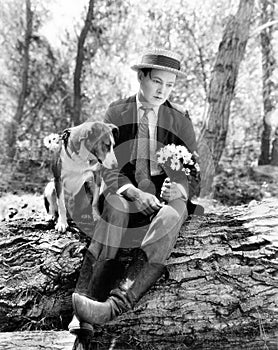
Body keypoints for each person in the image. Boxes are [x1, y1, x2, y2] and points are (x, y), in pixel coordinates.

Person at [68, 48, 202, 333]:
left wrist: (179, 188)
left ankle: (114, 305)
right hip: (125, 192)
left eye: (169, 85)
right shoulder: (117, 112)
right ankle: (83, 306)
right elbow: (105, 166)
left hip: (165, 198)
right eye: (157, 81)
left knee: (169, 219)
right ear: (141, 76)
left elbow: (194, 172)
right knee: (115, 210)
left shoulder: (180, 117)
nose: (162, 90)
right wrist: (131, 191)